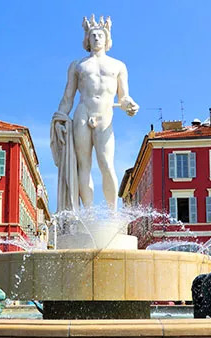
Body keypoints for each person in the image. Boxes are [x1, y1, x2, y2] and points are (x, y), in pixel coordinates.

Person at [51, 15, 139, 210]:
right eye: (93, 35)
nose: (97, 38)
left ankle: (113, 215)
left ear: (107, 40)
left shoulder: (118, 66)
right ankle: (88, 215)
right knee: (84, 166)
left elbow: (123, 97)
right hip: (82, 114)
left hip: (105, 116)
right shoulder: (78, 65)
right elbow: (68, 97)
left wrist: (130, 105)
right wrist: (59, 118)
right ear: (87, 40)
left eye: (100, 35)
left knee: (106, 164)